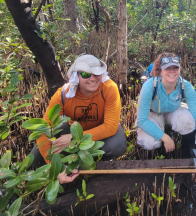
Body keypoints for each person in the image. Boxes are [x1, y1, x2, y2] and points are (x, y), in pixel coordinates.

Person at [31, 54, 127, 183]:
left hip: (100, 129)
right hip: (74, 128)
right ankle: (66, 161)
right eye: (86, 75)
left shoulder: (109, 88)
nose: (92, 79)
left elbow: (110, 127)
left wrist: (74, 139)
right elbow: (44, 129)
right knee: (35, 158)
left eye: (96, 74)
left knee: (117, 145)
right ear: (76, 76)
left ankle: (89, 159)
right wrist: (54, 166)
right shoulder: (63, 95)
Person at [136, 53, 196, 160]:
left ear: (180, 69)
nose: (172, 71)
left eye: (175, 67)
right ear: (160, 71)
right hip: (153, 111)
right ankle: (159, 154)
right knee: (149, 142)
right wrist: (165, 138)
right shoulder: (149, 86)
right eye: (167, 68)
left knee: (187, 121)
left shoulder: (185, 86)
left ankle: (187, 150)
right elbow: (142, 120)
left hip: (172, 109)